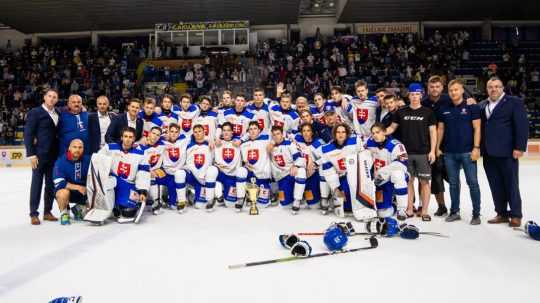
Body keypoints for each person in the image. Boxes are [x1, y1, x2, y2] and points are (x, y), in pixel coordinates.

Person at [480, 77, 529, 227]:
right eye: (490, 87)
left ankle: (515, 214)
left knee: (511, 184)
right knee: (495, 184)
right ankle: (501, 213)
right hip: (488, 152)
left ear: (502, 88)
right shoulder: (482, 104)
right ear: (487, 89)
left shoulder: (514, 102)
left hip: (507, 151)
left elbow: (522, 126)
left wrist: (520, 147)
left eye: (497, 86)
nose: (493, 89)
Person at [386, 83, 437, 221]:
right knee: (409, 181)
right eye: (412, 94)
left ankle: (425, 211)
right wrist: (379, 133)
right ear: (409, 95)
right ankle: (409, 208)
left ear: (421, 95)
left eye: (417, 94)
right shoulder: (401, 112)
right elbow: (391, 128)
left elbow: (433, 132)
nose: (414, 97)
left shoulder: (428, 112)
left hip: (423, 153)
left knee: (425, 182)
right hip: (406, 153)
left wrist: (432, 151)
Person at [436, 79, 482, 225]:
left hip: (468, 152)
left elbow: (477, 128)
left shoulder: (472, 107)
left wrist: (476, 148)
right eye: (450, 90)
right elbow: (441, 129)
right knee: (454, 184)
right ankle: (454, 211)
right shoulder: (444, 108)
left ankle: (476, 214)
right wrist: (437, 147)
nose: (453, 92)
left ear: (462, 90)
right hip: (449, 153)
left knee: (473, 183)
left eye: (456, 89)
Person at [98, 127, 150, 222]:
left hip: (128, 184)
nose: (128, 139)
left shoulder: (141, 154)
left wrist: (143, 191)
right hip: (113, 180)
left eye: (130, 137)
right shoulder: (110, 148)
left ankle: (119, 205)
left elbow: (143, 173)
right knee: (108, 184)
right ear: (121, 137)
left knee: (128, 212)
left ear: (134, 139)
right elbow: (98, 159)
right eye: (125, 136)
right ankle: (106, 206)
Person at [24, 89, 60, 225]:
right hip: (39, 155)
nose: (51, 99)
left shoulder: (58, 113)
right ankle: (33, 213)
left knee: (50, 185)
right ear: (44, 98)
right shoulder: (35, 112)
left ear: (57, 100)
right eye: (49, 96)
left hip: (54, 155)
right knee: (37, 184)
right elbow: (28, 134)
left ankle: (47, 212)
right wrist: (31, 154)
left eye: (54, 97)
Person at [320, 123, 365, 217]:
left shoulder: (355, 141)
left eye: (343, 132)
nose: (341, 134)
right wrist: (336, 189)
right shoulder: (326, 148)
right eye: (338, 132)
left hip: (358, 176)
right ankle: (332, 196)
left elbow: (364, 158)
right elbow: (329, 172)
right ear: (334, 134)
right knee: (346, 207)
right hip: (341, 177)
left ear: (347, 133)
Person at [421, 76, 451, 216]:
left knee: (452, 178)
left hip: (450, 145)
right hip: (431, 146)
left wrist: (470, 101)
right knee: (436, 178)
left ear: (442, 87)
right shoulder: (423, 103)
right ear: (428, 88)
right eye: (432, 87)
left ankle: (455, 206)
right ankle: (442, 206)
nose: (434, 89)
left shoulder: (449, 99)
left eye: (437, 86)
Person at [365, 123, 409, 220]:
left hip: (390, 178)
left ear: (384, 132)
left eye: (377, 132)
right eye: (373, 133)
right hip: (377, 180)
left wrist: (383, 172)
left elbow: (401, 165)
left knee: (398, 174)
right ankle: (392, 202)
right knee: (383, 213)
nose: (375, 135)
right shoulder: (369, 142)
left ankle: (401, 209)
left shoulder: (396, 145)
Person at [176, 124, 219, 211]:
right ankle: (182, 201)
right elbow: (176, 138)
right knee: (179, 173)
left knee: (199, 206)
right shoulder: (188, 143)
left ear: (204, 132)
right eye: (195, 132)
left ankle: (210, 199)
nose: (198, 133)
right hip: (192, 174)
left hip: (203, 176)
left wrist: (210, 139)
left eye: (200, 131)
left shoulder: (211, 144)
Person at [269, 126, 306, 214]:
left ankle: (297, 199)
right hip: (282, 178)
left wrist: (296, 166)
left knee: (301, 171)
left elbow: (300, 158)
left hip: (291, 174)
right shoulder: (270, 147)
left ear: (282, 134)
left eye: (278, 134)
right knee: (285, 205)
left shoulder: (290, 144)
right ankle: (294, 195)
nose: (276, 136)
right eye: (274, 135)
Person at [236, 121, 272, 210]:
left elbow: (280, 135)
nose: (252, 131)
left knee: (262, 205)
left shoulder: (266, 139)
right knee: (241, 171)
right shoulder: (243, 144)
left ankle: (264, 194)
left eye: (255, 129)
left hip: (262, 176)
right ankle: (241, 198)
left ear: (259, 130)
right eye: (250, 129)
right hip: (250, 175)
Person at [53, 139, 91, 225]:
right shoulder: (60, 162)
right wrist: (78, 187)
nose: (77, 150)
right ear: (69, 148)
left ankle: (78, 209)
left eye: (80, 147)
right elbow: (59, 182)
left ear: (83, 149)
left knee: (86, 215)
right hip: (68, 192)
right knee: (62, 193)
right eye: (75, 147)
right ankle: (64, 213)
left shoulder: (88, 160)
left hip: (83, 194)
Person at [293, 123, 327, 211]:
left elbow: (326, 157)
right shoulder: (297, 141)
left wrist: (316, 163)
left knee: (313, 205)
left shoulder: (319, 142)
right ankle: (297, 200)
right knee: (300, 171)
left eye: (308, 130)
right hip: (301, 172)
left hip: (313, 173)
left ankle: (324, 197)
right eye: (304, 131)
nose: (306, 133)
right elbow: (281, 136)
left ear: (312, 132)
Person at [161, 123, 188, 212]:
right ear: (168, 132)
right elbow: (151, 139)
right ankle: (155, 200)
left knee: (173, 202)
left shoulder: (184, 140)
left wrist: (209, 139)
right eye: (171, 131)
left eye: (176, 132)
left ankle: (183, 198)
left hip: (179, 172)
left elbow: (198, 136)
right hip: (167, 172)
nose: (173, 134)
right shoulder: (162, 142)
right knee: (172, 203)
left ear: (179, 133)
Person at [139, 126, 166, 215]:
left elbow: (174, 138)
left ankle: (156, 201)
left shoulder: (162, 145)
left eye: (158, 135)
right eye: (153, 133)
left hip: (155, 171)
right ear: (149, 133)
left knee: (156, 177)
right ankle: (140, 199)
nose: (155, 136)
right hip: (142, 172)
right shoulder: (140, 147)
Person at [214, 122, 242, 208]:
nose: (226, 132)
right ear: (221, 132)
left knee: (230, 204)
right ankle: (211, 198)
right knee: (211, 170)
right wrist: (216, 137)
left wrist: (241, 140)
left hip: (232, 176)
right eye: (224, 130)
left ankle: (226, 193)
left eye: (228, 130)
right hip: (221, 174)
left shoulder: (237, 143)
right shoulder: (217, 143)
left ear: (232, 132)